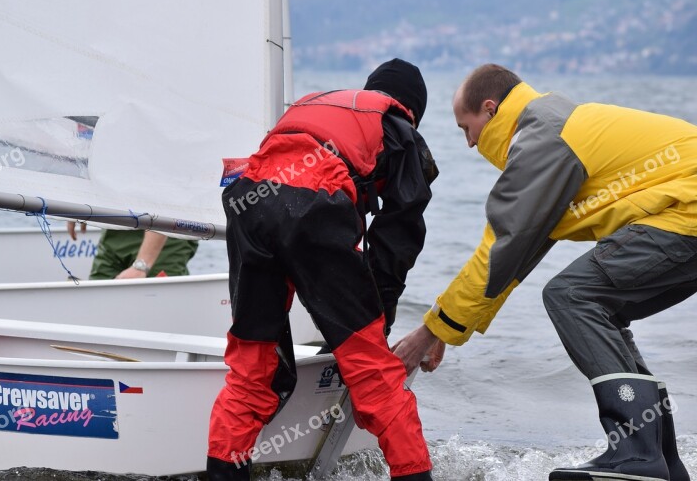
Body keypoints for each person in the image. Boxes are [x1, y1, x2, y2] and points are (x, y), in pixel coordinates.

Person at [394, 64, 697, 481]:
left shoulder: (541, 138)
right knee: (602, 308)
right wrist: (445, 330)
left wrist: (428, 332)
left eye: (466, 128)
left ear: (491, 110)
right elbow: (514, 257)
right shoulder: (554, 125)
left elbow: (500, 250)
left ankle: (637, 455)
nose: (469, 144)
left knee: (572, 295)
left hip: (694, 205)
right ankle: (662, 460)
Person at [206, 59, 439, 480]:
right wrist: (377, 316)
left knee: (252, 367)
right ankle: (415, 473)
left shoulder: (319, 106)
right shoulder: (398, 126)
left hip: (248, 205)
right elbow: (400, 232)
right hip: (313, 204)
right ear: (411, 110)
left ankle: (224, 473)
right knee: (373, 373)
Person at [67, 222, 197, 279]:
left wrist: (142, 265)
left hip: (167, 236)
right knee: (97, 298)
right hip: (117, 228)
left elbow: (170, 189)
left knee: (157, 308)